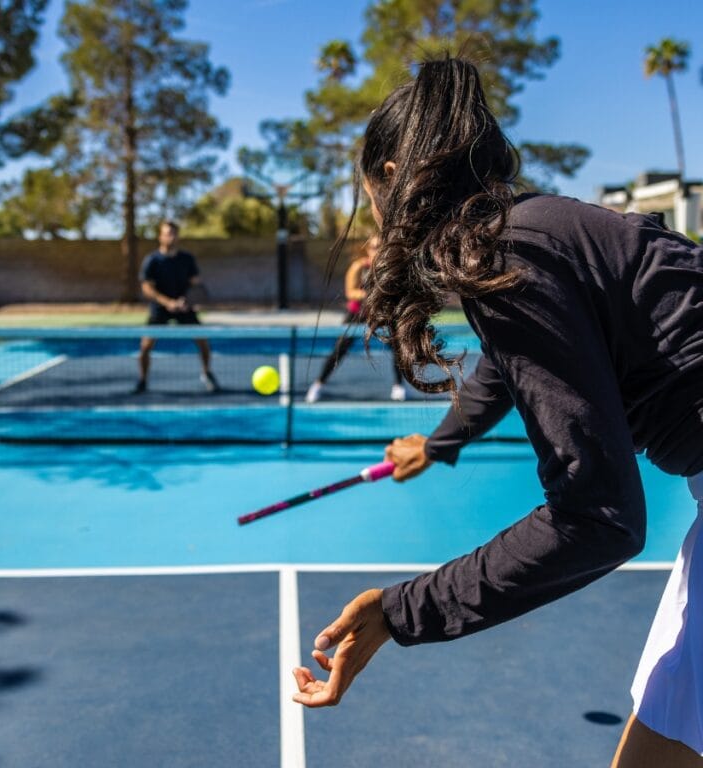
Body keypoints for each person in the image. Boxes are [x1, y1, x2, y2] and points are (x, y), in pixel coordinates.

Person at [291, 56, 703, 768]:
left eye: (369, 195)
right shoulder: (531, 232)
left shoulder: (512, 253)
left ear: (392, 178)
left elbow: (598, 517)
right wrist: (443, 442)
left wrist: (399, 612)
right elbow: (506, 368)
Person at [305, 235, 406, 403]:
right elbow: (350, 292)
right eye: (374, 246)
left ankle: (399, 386)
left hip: (381, 314)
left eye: (381, 246)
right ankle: (318, 385)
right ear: (368, 250)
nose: (377, 249)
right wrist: (371, 294)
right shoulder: (359, 267)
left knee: (398, 349)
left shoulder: (389, 269)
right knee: (339, 349)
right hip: (357, 314)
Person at [134, 220, 219, 394]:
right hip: (160, 309)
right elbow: (147, 289)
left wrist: (185, 301)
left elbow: (196, 284)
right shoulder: (152, 260)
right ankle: (142, 380)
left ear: (177, 236)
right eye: (167, 233)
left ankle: (207, 373)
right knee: (145, 346)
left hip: (184, 308)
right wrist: (167, 303)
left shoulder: (186, 259)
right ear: (160, 237)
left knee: (203, 341)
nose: (171, 237)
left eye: (173, 233)